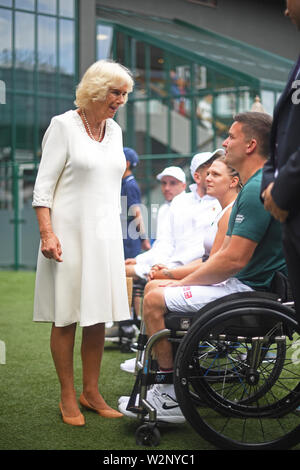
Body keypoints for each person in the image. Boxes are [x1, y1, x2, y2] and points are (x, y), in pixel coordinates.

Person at [118, 111, 287, 423]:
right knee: (159, 290)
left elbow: (232, 260)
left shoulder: (255, 187)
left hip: (249, 292)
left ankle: (168, 395)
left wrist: (180, 282)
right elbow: (224, 259)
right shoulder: (259, 183)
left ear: (250, 144)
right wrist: (181, 279)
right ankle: (163, 378)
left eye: (231, 137)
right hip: (252, 288)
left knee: (154, 298)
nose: (225, 142)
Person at [32, 59, 134, 426]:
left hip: (105, 236)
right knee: (66, 318)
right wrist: (47, 232)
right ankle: (67, 395)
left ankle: (91, 393)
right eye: (115, 92)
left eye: (124, 94)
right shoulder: (63, 126)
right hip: (67, 236)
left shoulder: (116, 131)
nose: (120, 100)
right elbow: (43, 187)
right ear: (95, 89)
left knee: (97, 319)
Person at [120, 155, 241, 375]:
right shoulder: (220, 210)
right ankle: (156, 360)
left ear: (233, 181)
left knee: (154, 293)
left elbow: (216, 264)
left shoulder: (227, 212)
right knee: (152, 287)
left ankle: (167, 381)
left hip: (229, 286)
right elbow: (206, 259)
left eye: (215, 174)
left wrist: (174, 276)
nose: (207, 178)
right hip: (211, 276)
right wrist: (166, 270)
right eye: (208, 173)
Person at [261, 0, 300, 324]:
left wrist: (282, 187)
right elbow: (279, 135)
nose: (285, 12)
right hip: (290, 208)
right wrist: (269, 186)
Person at [125, 166, 187, 282]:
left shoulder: (185, 207)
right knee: (123, 269)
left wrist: (156, 266)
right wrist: (138, 260)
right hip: (159, 263)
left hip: (173, 266)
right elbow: (160, 245)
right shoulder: (164, 209)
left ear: (183, 186)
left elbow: (173, 248)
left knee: (123, 272)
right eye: (164, 183)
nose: (167, 188)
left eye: (172, 183)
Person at [121, 147, 150, 259]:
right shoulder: (122, 183)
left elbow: (137, 212)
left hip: (129, 238)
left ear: (127, 164)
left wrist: (144, 238)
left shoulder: (130, 185)